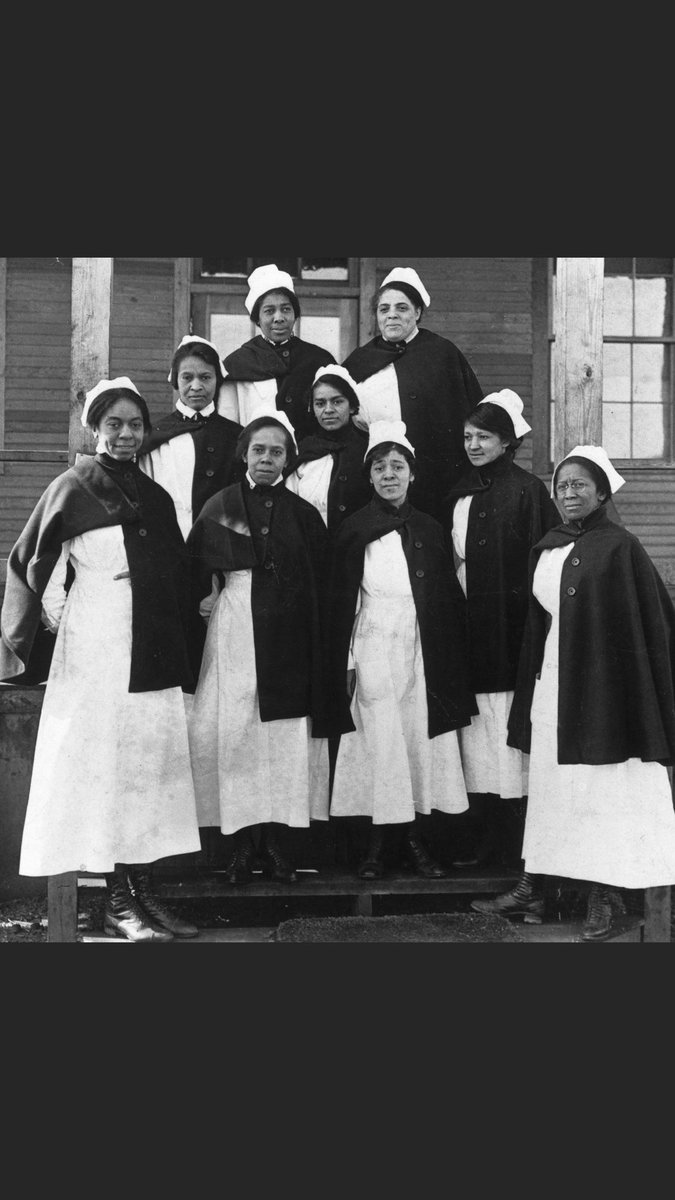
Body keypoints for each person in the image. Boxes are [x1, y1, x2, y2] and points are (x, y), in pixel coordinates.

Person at [0, 378, 203, 942]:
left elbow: (178, 571)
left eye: (135, 425)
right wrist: (66, 616)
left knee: (146, 767)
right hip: (97, 647)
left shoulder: (155, 495)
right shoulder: (72, 487)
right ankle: (114, 902)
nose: (125, 434)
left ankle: (143, 893)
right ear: (94, 429)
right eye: (113, 424)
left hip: (151, 649)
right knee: (106, 767)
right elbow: (33, 565)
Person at [472, 445, 675, 940]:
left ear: (602, 491)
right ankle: (533, 886)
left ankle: (603, 897)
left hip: (605, 692)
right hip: (554, 683)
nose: (569, 493)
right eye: (562, 486)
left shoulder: (621, 547)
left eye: (580, 484)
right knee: (550, 784)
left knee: (602, 788)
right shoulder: (549, 545)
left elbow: (650, 623)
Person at [322, 419, 477, 880]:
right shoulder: (354, 529)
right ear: (369, 477)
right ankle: (375, 845)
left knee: (416, 740)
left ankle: (413, 841)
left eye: (398, 466)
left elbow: (446, 599)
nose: (389, 475)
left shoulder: (428, 528)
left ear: (413, 474)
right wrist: (348, 659)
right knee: (378, 741)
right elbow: (343, 600)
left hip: (421, 645)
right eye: (380, 468)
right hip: (373, 642)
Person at [186, 410, 331, 885]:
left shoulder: (304, 515)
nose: (267, 459)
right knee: (238, 733)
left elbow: (319, 585)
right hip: (235, 631)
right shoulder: (219, 506)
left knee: (281, 738)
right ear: (244, 455)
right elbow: (193, 574)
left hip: (287, 635)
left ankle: (275, 843)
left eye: (276, 452)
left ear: (288, 459)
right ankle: (242, 845)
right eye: (259, 451)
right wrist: (210, 597)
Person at [443, 390, 559, 869]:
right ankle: (482, 838)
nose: (474, 445)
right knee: (477, 733)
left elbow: (544, 558)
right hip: (471, 630)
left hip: (513, 632)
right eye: (468, 437)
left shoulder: (529, 491)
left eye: (484, 437)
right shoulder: (459, 492)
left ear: (507, 442)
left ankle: (518, 845)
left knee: (511, 729)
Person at [342, 266, 484, 521]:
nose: (392, 315)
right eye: (384, 309)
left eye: (402, 308)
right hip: (375, 477)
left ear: (417, 312)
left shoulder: (442, 354)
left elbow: (470, 414)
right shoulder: (359, 360)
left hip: (432, 479)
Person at [139, 335, 243, 539]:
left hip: (220, 544)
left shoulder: (235, 436)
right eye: (187, 378)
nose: (196, 386)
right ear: (176, 381)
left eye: (205, 377)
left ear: (217, 380)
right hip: (168, 540)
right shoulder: (155, 436)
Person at [219, 263, 335, 442]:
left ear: (295, 314)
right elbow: (227, 426)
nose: (279, 318)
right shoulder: (237, 364)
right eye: (269, 311)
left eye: (286, 309)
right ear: (257, 319)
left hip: (310, 462)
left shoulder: (319, 360)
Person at [285, 365, 371, 532]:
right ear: (312, 408)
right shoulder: (302, 452)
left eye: (337, 401)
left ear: (352, 406)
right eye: (320, 403)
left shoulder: (367, 451)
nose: (328, 410)